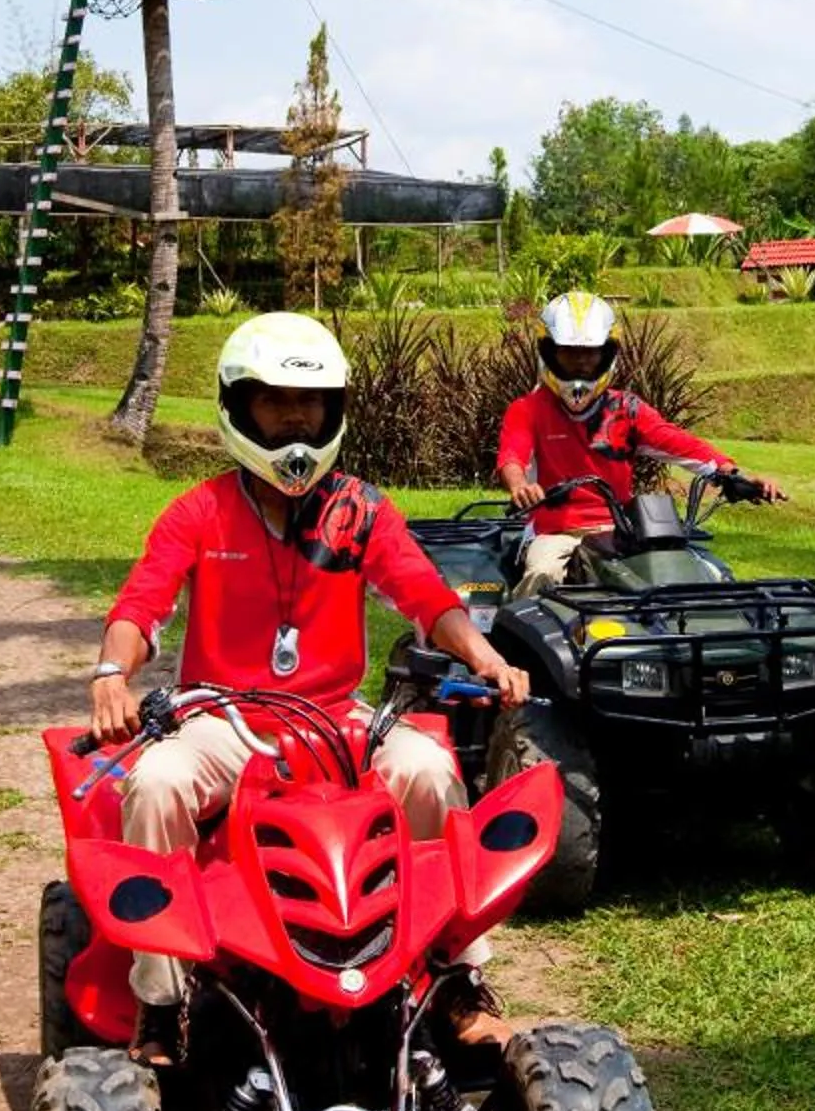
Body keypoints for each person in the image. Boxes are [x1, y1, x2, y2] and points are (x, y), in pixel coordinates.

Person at [91, 310, 529, 1063]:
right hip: (223, 720)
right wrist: (111, 674)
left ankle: (458, 977)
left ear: (334, 410)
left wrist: (483, 653)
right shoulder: (199, 511)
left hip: (334, 720)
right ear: (239, 407)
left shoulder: (362, 510)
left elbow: (424, 596)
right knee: (156, 784)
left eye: (311, 402)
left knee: (430, 770)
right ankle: (161, 1003)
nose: (295, 418)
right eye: (275, 401)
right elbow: (143, 605)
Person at [496, 289, 784, 593]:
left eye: (590, 352)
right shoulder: (527, 409)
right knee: (542, 575)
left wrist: (732, 474)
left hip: (622, 531)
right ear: (549, 352)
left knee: (705, 575)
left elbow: (678, 442)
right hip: (556, 533)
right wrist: (519, 486)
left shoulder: (627, 409)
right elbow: (512, 456)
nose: (581, 362)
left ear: (607, 353)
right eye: (569, 351)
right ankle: (516, 624)